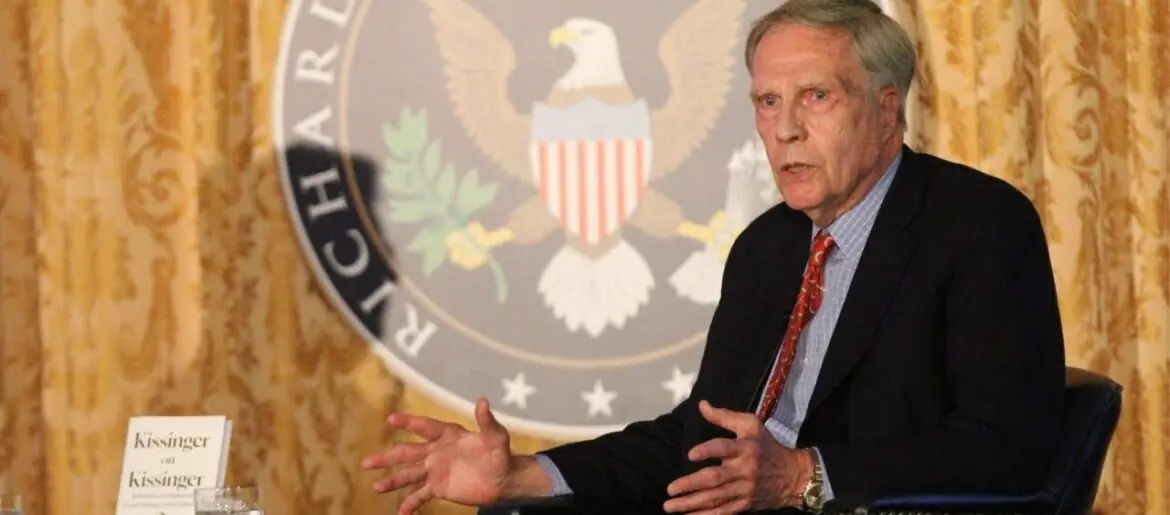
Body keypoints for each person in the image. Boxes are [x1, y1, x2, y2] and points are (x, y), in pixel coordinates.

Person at [360, 0, 1067, 513]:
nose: (785, 130)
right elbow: (698, 440)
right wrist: (524, 475)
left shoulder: (978, 225)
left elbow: (1007, 445)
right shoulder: (768, 247)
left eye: (816, 97)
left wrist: (804, 475)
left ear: (887, 109)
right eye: (767, 102)